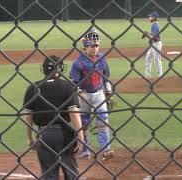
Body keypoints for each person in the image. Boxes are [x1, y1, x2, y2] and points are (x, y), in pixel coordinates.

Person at [23, 55, 83, 180]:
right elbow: (73, 113)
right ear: (60, 69)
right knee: (71, 173)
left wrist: (29, 137)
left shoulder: (33, 88)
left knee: (49, 174)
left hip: (44, 134)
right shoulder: (69, 86)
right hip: (65, 133)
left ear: (44, 69)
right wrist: (80, 136)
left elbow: (29, 116)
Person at [69, 29, 114, 161]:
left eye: (96, 46)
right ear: (85, 47)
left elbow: (105, 75)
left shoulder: (101, 58)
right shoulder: (78, 63)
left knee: (103, 120)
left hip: (99, 94)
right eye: (91, 46)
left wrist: (108, 90)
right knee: (83, 124)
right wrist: (79, 93)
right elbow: (73, 82)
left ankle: (106, 149)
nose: (95, 49)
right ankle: (85, 149)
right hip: (84, 95)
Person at [144, 11, 163, 78]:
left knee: (157, 60)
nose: (149, 18)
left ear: (154, 17)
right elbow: (152, 36)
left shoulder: (155, 25)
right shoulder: (153, 25)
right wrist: (148, 34)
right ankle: (147, 74)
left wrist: (147, 35)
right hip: (153, 44)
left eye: (150, 17)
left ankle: (160, 75)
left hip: (157, 44)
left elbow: (153, 37)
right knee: (148, 58)